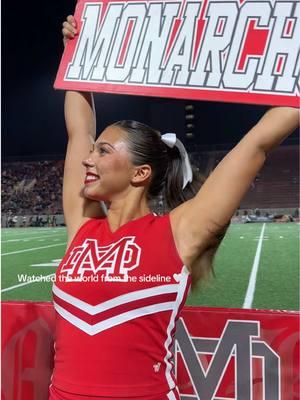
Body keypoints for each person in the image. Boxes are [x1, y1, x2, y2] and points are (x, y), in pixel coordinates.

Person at [49, 15, 299, 400]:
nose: (87, 159)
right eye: (93, 149)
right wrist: (76, 53)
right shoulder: (82, 224)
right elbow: (76, 130)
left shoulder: (179, 231)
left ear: (140, 173)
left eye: (103, 151)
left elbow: (257, 144)